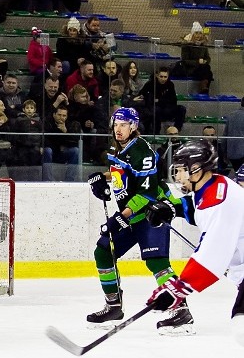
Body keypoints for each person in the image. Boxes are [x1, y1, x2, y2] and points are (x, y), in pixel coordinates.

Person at [85, 107, 191, 334]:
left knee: (157, 261)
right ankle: (113, 305)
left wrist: (121, 217)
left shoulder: (142, 151)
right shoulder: (121, 148)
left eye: (123, 125)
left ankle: (181, 309)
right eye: (116, 125)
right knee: (103, 251)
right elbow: (123, 173)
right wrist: (102, 178)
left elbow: (147, 193)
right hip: (133, 214)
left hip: (154, 212)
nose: (118, 129)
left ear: (133, 126)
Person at [144, 140, 244, 341]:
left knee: (241, 330)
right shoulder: (215, 185)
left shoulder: (219, 202)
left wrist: (179, 289)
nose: (178, 176)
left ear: (197, 170)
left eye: (182, 170)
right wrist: (173, 208)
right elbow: (197, 207)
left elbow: (212, 253)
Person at [42, 104, 80, 181]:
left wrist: (66, 132)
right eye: (59, 115)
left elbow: (74, 143)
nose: (61, 117)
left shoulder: (70, 125)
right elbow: (45, 140)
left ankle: (69, 180)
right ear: (54, 115)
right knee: (48, 150)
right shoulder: (48, 124)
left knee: (76, 151)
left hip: (62, 153)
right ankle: (47, 180)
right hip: (51, 153)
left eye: (64, 115)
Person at [179, 24, 213, 95]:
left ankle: (204, 88)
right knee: (208, 70)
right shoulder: (186, 45)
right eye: (196, 33)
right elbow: (185, 60)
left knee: (207, 69)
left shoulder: (203, 45)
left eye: (200, 33)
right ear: (192, 34)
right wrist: (198, 62)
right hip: (191, 69)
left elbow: (208, 58)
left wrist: (205, 61)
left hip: (202, 68)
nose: (198, 35)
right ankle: (204, 89)